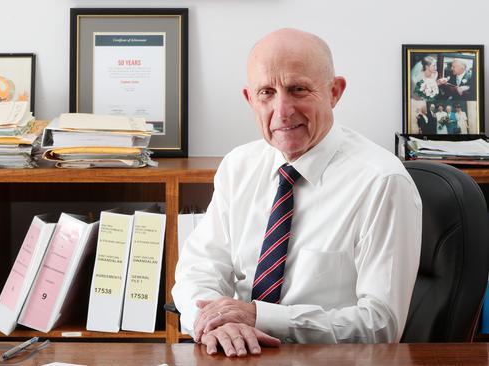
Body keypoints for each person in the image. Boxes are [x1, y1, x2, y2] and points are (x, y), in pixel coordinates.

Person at [172, 28, 422, 357]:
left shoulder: (382, 182)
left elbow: (380, 325)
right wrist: (214, 322)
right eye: (266, 93)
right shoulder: (239, 165)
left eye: (298, 89)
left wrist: (260, 317)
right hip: (242, 356)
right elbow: (198, 269)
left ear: (334, 92)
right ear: (250, 99)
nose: (283, 109)